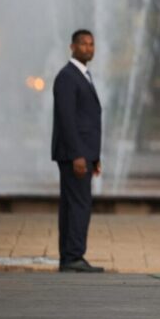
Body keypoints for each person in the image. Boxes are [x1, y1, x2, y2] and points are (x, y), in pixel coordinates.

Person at [51, 29, 104, 273]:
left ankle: (70, 257)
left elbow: (87, 119)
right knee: (78, 205)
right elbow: (67, 119)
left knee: (75, 204)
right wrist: (78, 155)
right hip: (75, 155)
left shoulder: (82, 75)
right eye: (83, 44)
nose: (88, 48)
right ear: (72, 47)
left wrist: (94, 157)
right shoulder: (67, 77)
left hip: (83, 155)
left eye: (91, 44)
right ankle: (73, 256)